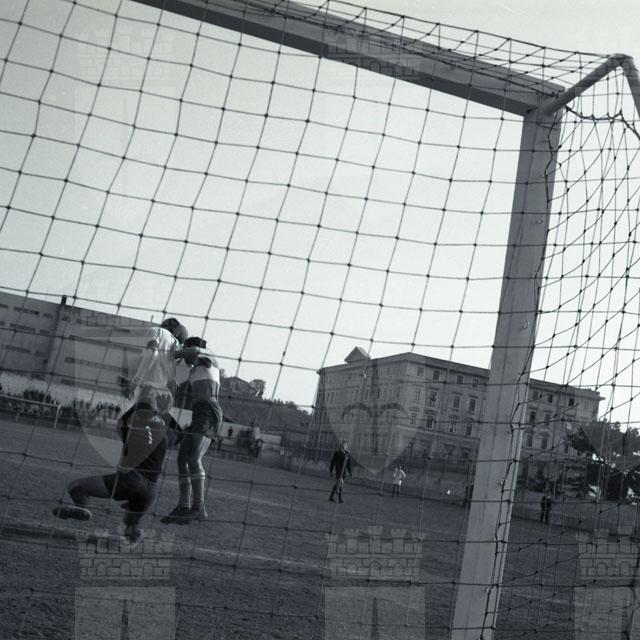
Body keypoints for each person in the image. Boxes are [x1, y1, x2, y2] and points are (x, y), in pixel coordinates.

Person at [52, 396, 171, 544]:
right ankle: (132, 539)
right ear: (155, 412)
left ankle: (81, 508)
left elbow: (120, 423)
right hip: (150, 491)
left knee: (76, 486)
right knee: (130, 524)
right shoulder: (163, 435)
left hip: (130, 481)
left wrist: (134, 408)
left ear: (137, 411)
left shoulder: (132, 429)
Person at [161, 337, 223, 524]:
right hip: (199, 414)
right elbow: (179, 391)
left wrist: (172, 353)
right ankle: (183, 506)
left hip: (209, 412)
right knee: (182, 458)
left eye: (185, 350)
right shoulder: (195, 371)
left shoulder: (208, 356)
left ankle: (198, 508)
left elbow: (193, 352)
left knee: (193, 458)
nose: (184, 359)